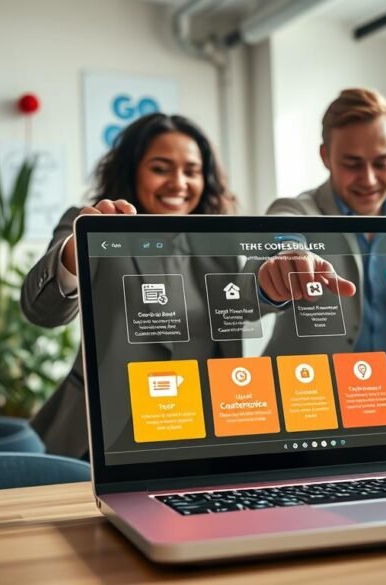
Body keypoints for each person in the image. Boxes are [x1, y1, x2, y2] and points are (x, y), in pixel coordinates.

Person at [21, 113, 236, 457]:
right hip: (101, 439)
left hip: (200, 441)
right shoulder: (91, 223)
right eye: (161, 168)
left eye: (191, 171)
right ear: (131, 171)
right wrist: (76, 251)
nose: (178, 183)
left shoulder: (220, 244)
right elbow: (41, 311)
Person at [254, 88, 386, 356]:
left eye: (381, 163)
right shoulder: (296, 211)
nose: (369, 179)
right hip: (312, 391)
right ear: (325, 156)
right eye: (353, 164)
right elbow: (281, 237)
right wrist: (287, 259)